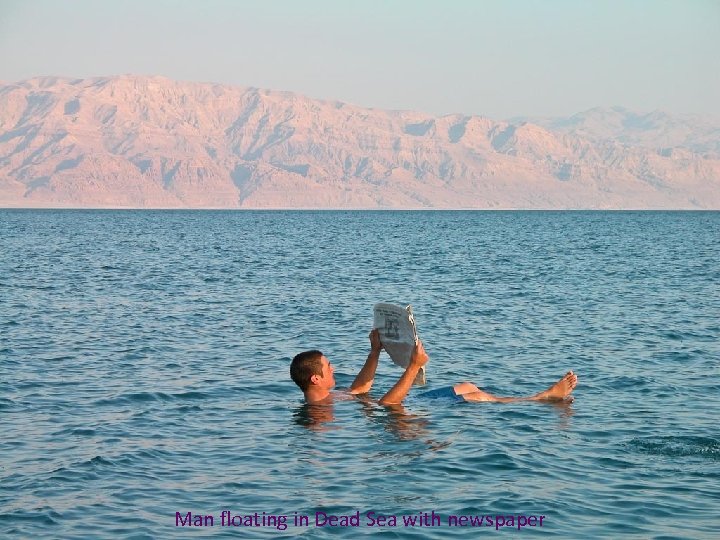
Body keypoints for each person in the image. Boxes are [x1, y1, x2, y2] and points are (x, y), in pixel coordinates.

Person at [290, 329, 578, 405]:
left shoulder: (332, 396)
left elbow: (360, 389)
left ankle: (542, 397)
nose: (334, 367)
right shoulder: (321, 414)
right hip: (396, 408)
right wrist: (413, 366)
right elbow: (389, 404)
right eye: (329, 366)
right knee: (475, 397)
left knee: (467, 385)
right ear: (316, 378)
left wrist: (375, 350)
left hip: (402, 402)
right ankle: (541, 398)